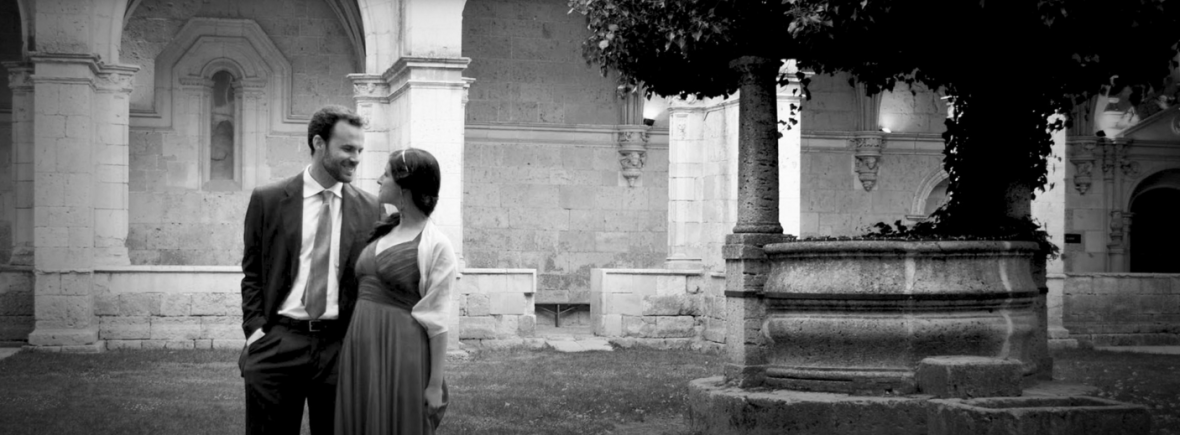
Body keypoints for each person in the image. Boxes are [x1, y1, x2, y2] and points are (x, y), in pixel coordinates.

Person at [239, 105, 381, 435]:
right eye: (347, 148)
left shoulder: (371, 208)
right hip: (279, 342)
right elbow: (253, 272)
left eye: (359, 150)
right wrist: (256, 331)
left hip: (339, 348)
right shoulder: (268, 199)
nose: (356, 158)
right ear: (319, 143)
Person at [335, 148, 457, 435]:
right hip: (361, 349)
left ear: (405, 186)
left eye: (386, 174)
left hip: (402, 353)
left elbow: (438, 321)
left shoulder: (436, 245)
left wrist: (434, 384)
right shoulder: (384, 231)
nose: (379, 179)